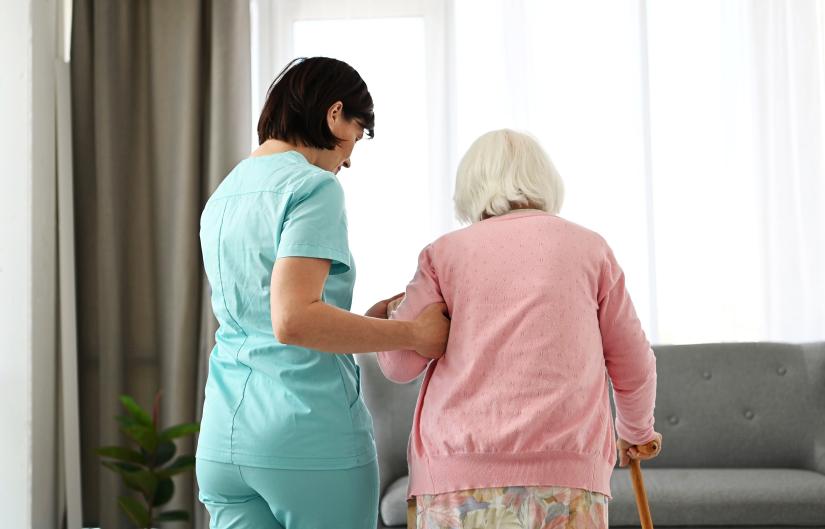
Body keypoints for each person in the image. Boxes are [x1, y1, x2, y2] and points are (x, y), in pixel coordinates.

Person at [195, 56, 451, 529]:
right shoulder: (312, 187)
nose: (349, 158)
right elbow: (293, 320)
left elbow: (262, 314)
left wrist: (372, 319)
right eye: (355, 136)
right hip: (305, 438)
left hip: (224, 438)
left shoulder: (225, 194)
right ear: (334, 114)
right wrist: (412, 333)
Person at [378, 129, 662, 529]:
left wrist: (391, 311)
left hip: (458, 477)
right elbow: (634, 364)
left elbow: (398, 366)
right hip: (568, 475)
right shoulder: (591, 249)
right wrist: (635, 432)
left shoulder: (443, 254)